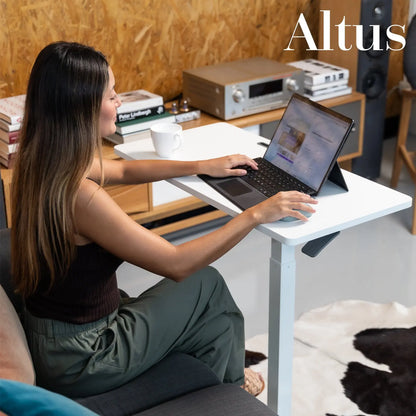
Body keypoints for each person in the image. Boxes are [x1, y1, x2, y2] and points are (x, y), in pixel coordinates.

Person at [11, 41, 317, 398]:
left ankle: (220, 377)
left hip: (54, 338)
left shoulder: (42, 161)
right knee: (207, 284)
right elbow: (176, 264)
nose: (119, 102)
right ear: (83, 110)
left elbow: (123, 169)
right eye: (112, 96)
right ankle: (232, 391)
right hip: (85, 357)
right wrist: (254, 215)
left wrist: (200, 166)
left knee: (211, 316)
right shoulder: (81, 197)